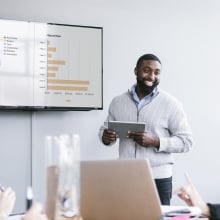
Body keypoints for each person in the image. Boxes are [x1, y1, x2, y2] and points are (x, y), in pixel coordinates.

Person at [99, 53, 193, 205]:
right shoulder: (117, 101)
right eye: (147, 70)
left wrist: (156, 141)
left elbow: (186, 142)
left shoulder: (171, 104)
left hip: (158, 178)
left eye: (157, 72)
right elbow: (105, 129)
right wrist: (105, 137)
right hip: (125, 176)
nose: (151, 76)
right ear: (136, 71)